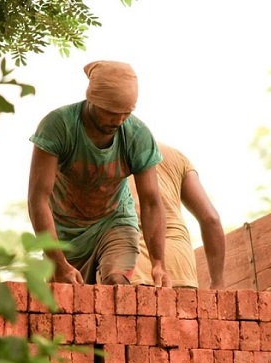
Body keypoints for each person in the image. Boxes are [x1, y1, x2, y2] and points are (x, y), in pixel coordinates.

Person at [27, 60, 170, 286]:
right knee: (66, 300)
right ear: (92, 100)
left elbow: (151, 201)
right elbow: (38, 198)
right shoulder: (58, 126)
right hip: (65, 231)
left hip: (114, 221)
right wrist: (57, 261)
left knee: (116, 280)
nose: (119, 120)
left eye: (126, 113)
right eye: (111, 112)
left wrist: (159, 263)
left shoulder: (137, 135)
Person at [129, 142, 225, 289]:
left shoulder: (113, 151)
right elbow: (211, 219)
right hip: (180, 266)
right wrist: (218, 283)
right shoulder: (177, 157)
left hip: (135, 264)